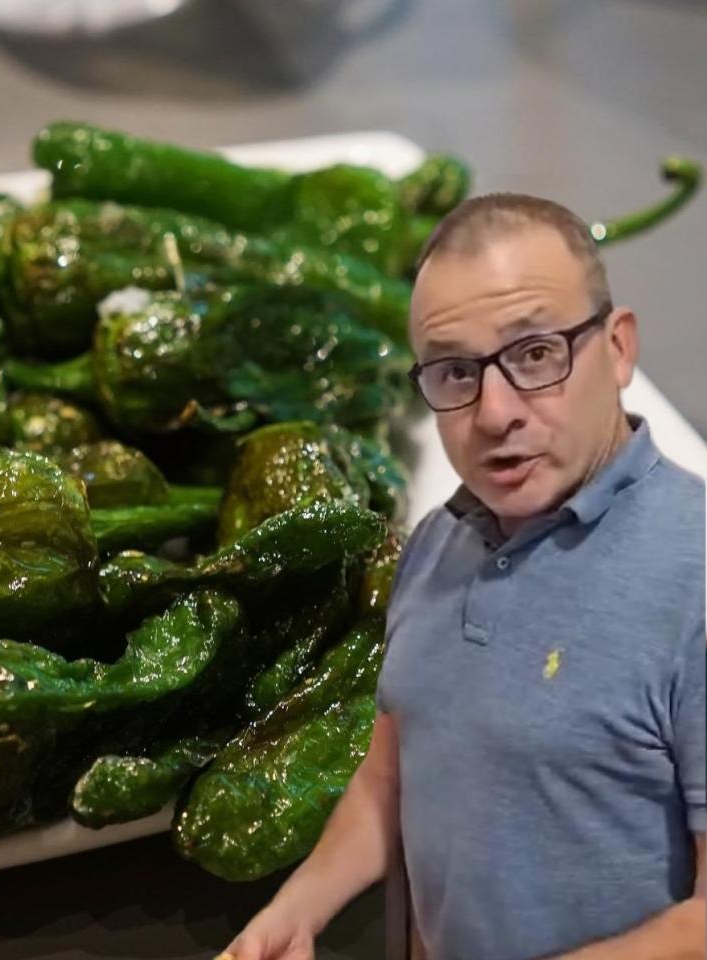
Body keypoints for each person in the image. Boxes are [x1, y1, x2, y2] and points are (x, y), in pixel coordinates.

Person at [221, 194, 706, 960]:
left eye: (536, 354)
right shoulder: (435, 546)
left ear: (618, 349)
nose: (494, 412)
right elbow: (392, 780)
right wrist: (301, 907)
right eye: (454, 372)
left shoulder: (697, 575)